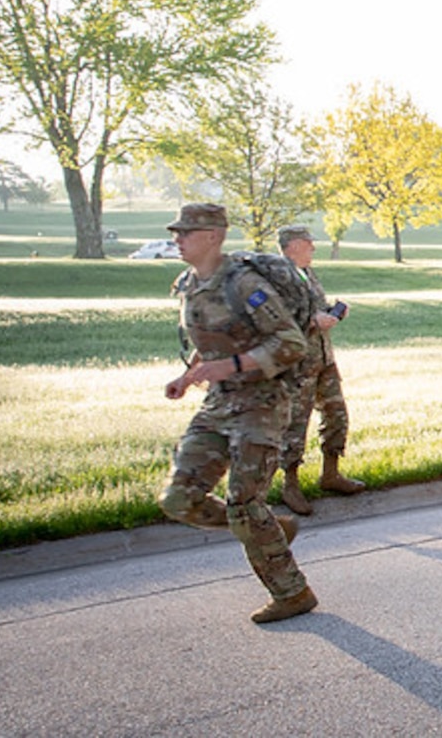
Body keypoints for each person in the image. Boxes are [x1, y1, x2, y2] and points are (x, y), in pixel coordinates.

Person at [157, 203, 317, 624]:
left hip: (261, 404)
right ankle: (270, 530)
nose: (178, 239)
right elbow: (212, 342)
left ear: (213, 236)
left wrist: (227, 367)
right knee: (178, 499)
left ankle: (293, 593)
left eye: (186, 233)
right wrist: (190, 374)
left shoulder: (243, 284)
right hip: (218, 403)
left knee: (244, 504)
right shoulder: (192, 283)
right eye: (177, 233)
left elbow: (291, 343)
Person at [276, 225, 364, 516]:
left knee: (336, 414)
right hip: (298, 365)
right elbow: (276, 320)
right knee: (295, 424)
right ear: (292, 245)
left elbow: (311, 308)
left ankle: (331, 474)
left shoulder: (307, 272)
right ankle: (290, 484)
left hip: (324, 359)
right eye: (308, 243)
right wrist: (313, 321)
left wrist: (331, 311)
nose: (313, 247)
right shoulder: (280, 276)